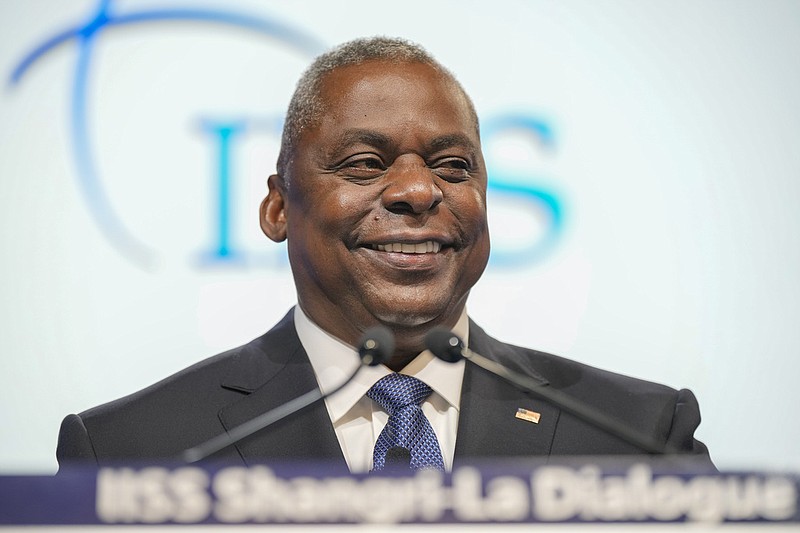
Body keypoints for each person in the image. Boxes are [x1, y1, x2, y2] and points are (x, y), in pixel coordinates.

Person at [56, 37, 711, 472]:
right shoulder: (134, 452)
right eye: (366, 164)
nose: (419, 190)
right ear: (278, 207)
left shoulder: (638, 436)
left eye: (452, 166)